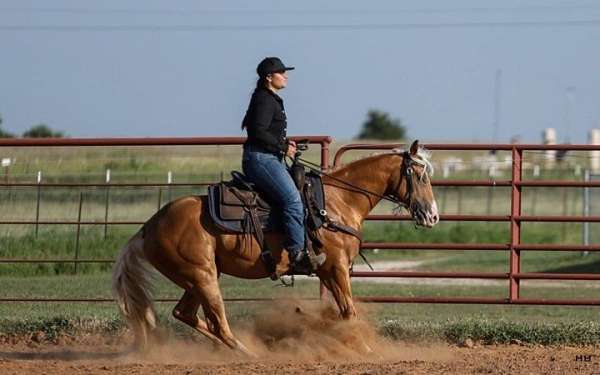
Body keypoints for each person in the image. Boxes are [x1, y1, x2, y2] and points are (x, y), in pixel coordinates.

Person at [241, 57, 324, 274]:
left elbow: (265, 131)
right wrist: (282, 146)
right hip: (261, 159)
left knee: (303, 193)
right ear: (269, 77)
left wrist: (285, 145)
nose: (285, 75)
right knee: (293, 200)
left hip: (268, 158)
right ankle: (297, 254)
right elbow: (257, 132)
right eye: (281, 72)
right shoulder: (265, 100)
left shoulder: (268, 98)